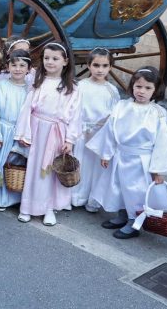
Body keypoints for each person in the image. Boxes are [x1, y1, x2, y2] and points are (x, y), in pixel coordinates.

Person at [88, 66, 167, 239]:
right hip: (121, 155)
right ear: (132, 86)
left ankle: (134, 222)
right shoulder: (121, 106)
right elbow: (110, 131)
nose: (142, 91)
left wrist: (158, 170)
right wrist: (106, 153)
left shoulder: (158, 114)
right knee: (117, 187)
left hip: (142, 160)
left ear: (156, 90)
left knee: (135, 191)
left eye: (148, 88)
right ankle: (122, 215)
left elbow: (162, 144)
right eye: (138, 86)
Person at [15, 42, 82, 226]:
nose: (50, 62)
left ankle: (49, 208)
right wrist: (24, 132)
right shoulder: (37, 80)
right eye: (46, 58)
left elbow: (75, 115)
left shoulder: (72, 88)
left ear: (65, 61)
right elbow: (27, 108)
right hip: (36, 129)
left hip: (56, 132)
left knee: (51, 171)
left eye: (55, 58)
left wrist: (70, 139)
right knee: (34, 169)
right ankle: (27, 207)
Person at [71, 48, 119, 211]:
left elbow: (114, 115)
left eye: (105, 66)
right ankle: (75, 196)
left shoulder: (111, 91)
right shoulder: (81, 87)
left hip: (101, 134)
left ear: (110, 67)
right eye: (96, 65)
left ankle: (92, 199)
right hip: (82, 132)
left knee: (96, 169)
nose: (100, 70)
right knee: (80, 164)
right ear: (88, 65)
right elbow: (74, 110)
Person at [0, 49, 31, 210]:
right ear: (8, 66)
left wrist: (25, 135)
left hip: (19, 132)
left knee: (14, 164)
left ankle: (10, 198)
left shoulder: (30, 90)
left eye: (22, 65)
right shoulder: (0, 86)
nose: (18, 69)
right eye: (14, 65)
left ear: (28, 69)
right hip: (3, 129)